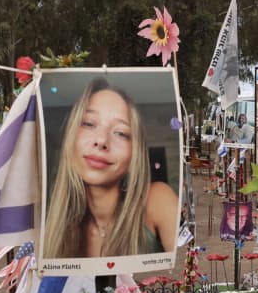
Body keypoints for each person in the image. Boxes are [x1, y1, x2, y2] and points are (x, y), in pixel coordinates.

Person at [40, 78, 178, 260]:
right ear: (70, 138)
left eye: (120, 133)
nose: (102, 141)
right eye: (89, 123)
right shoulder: (50, 226)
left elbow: (189, 273)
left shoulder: (157, 200)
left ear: (134, 153)